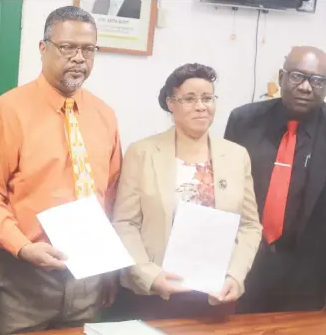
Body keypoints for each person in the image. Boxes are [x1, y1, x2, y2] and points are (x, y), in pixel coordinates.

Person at [0, 6, 123, 335]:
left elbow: (111, 193)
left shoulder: (105, 116)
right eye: (67, 47)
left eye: (88, 49)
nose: (79, 58)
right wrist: (23, 247)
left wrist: (109, 269)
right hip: (24, 279)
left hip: (88, 277)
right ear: (43, 49)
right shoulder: (8, 111)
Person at [225, 46, 326, 320]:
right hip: (246, 265)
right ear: (282, 77)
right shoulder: (244, 121)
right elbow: (225, 190)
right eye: (298, 76)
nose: (306, 87)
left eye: (317, 81)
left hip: (312, 274)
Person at [109, 63, 263, 321]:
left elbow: (250, 226)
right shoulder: (143, 152)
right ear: (171, 103)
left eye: (207, 98)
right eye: (190, 99)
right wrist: (150, 275)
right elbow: (125, 222)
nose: (201, 106)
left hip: (215, 294)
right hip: (154, 294)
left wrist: (235, 276)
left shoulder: (236, 156)